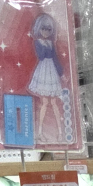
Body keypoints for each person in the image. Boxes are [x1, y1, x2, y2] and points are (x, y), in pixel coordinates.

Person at [27, 14, 64, 142]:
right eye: (43, 29)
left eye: (48, 29)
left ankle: (60, 132)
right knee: (44, 102)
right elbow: (41, 56)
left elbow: (55, 58)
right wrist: (43, 45)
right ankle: (40, 132)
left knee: (54, 102)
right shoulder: (38, 42)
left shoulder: (51, 43)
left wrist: (61, 73)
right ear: (39, 28)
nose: (46, 32)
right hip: (43, 70)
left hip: (52, 70)